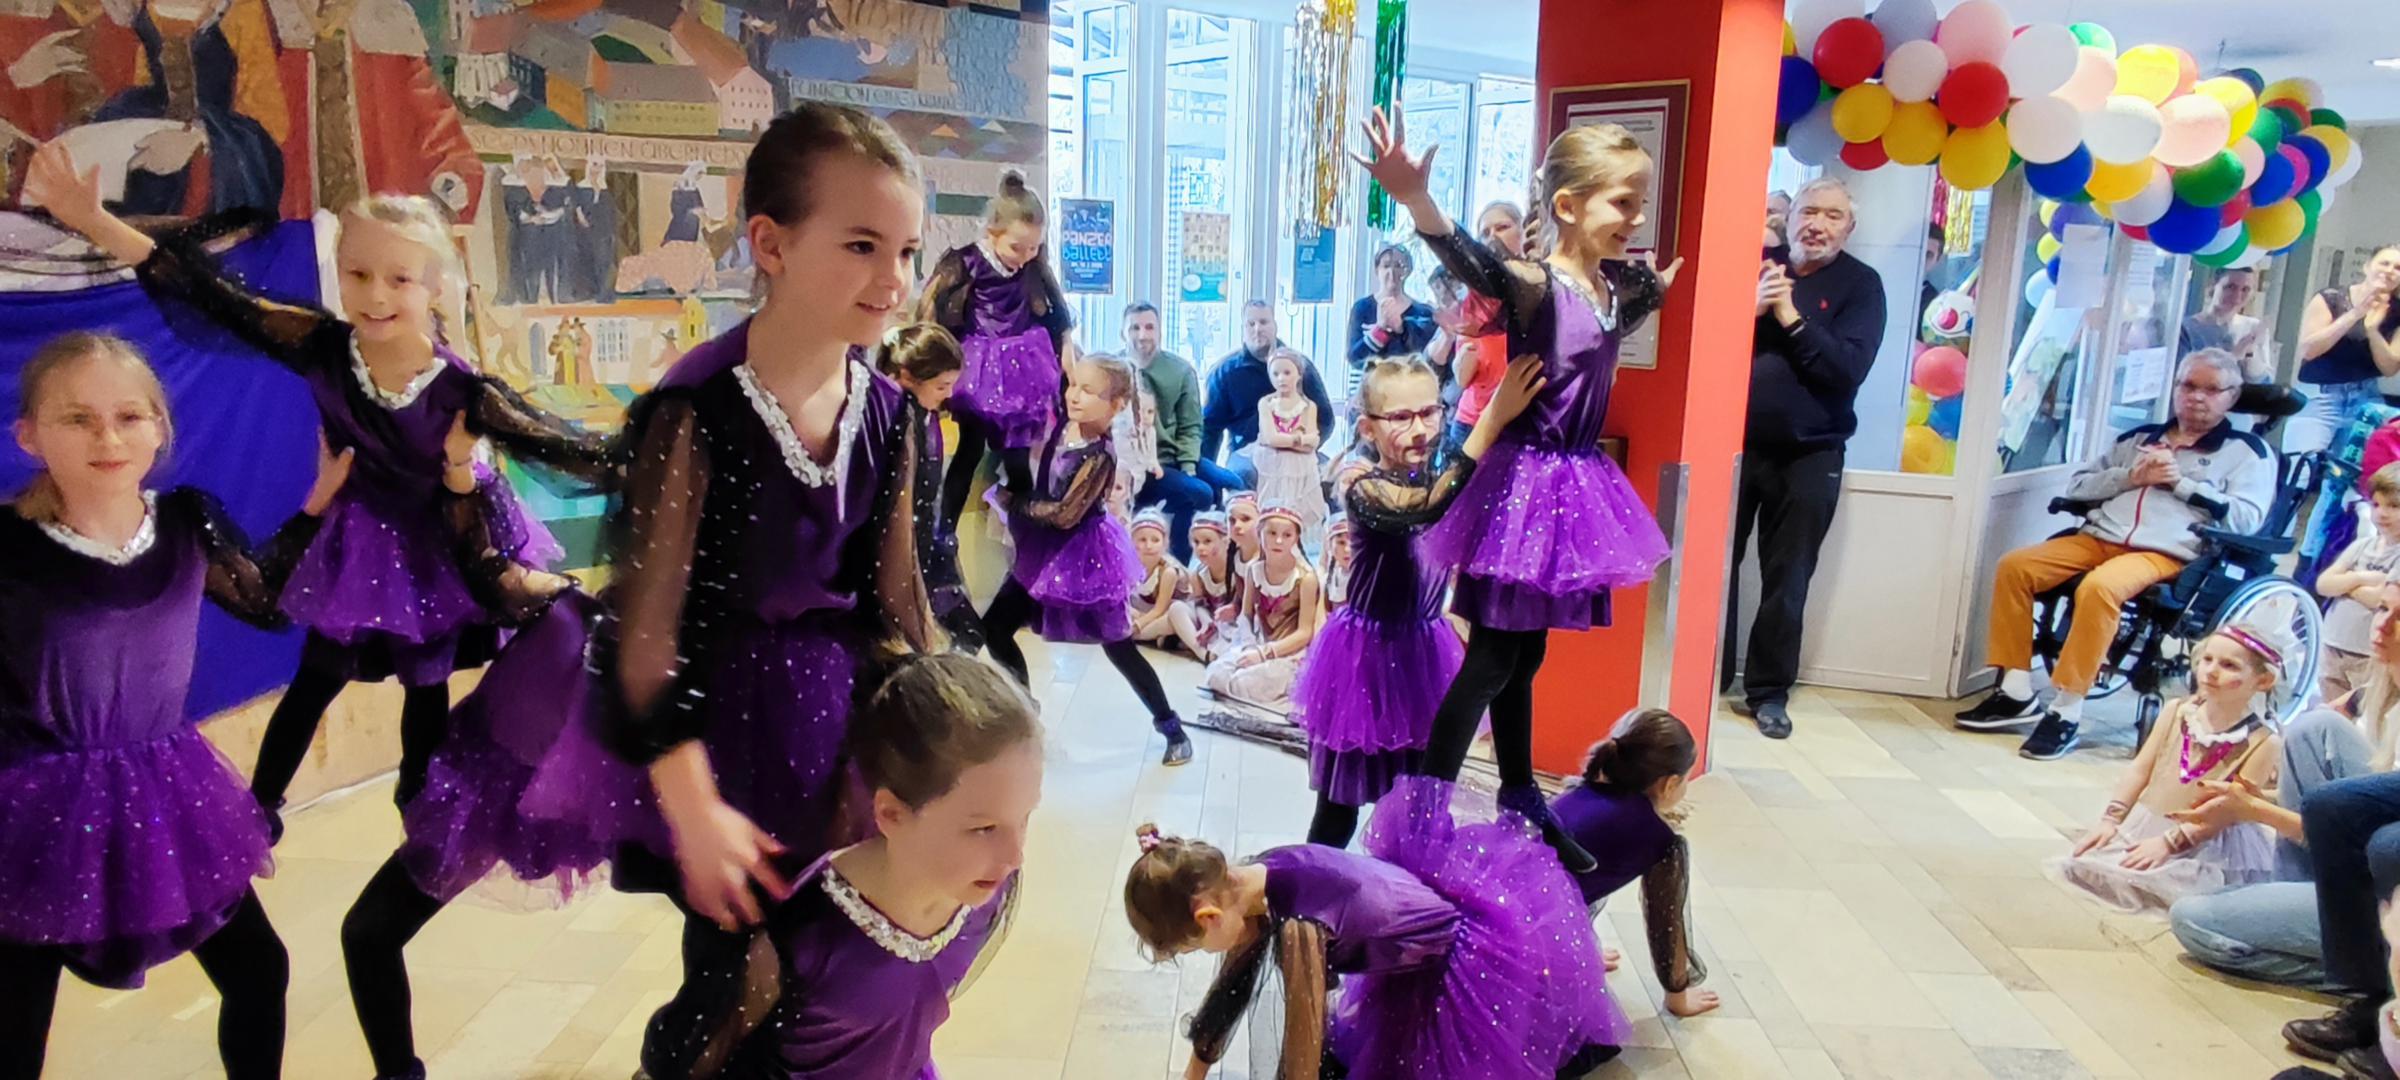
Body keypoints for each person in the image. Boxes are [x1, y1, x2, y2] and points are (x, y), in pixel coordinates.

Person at [377, 103, 947, 1080]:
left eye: (906, 250)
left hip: (835, 736)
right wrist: (693, 805)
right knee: (733, 980)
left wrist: (952, 751)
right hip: (720, 736)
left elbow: (900, 606)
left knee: (814, 973)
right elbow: (646, 634)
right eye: (862, 246)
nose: (894, 280)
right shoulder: (696, 409)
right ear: (771, 243)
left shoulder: (894, 416)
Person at [26, 146, 609, 837]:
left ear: (435, 286)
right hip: (358, 538)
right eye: (358, 274)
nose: (376, 295)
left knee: (425, 685)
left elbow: (571, 452)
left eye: (399, 278)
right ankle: (259, 810)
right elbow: (214, 296)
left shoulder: (463, 392)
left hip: (436, 545)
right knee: (316, 677)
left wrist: (465, 470)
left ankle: (422, 811)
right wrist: (95, 221)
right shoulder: (324, 347)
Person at [0, 332, 352, 1080]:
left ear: (160, 427)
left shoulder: (188, 522)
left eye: (129, 416)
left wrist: (318, 505)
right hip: (34, 807)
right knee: (15, 1021)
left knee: (259, 968)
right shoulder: (8, 546)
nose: (108, 438)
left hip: (166, 787)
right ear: (28, 435)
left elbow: (267, 603)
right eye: (78, 419)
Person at [1357, 106, 1674, 873]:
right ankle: (1424, 815)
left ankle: (1520, 793)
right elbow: (1476, 264)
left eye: (1641, 202)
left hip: (1572, 485)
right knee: (1493, 659)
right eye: (1622, 202)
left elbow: (1630, 307)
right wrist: (1417, 199)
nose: (1636, 218)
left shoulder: (1612, 285)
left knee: (1526, 656)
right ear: (1567, 205)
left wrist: (1655, 290)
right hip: (1524, 488)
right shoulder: (1538, 285)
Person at [1122, 777, 1628, 1080]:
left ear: (1208, 916)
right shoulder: (1257, 875)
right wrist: (1195, 1070)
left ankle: (1561, 981)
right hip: (1406, 944)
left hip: (1459, 964)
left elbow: (1303, 1045)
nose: (1211, 953)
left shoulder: (1301, 926)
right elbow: (1234, 985)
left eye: (1196, 947)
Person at [686, 654, 1037, 1078]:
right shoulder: (805, 934)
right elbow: (725, 1049)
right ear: (891, 815)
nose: (1015, 856)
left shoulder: (988, 892)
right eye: (983, 828)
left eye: (1025, 818)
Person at [1956, 349, 2276, 761]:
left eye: (2212, 390)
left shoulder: (2247, 452)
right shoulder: (2138, 439)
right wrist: (2130, 477)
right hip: (2100, 536)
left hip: (2165, 551)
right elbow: (2078, 486)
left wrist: (2181, 484)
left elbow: (2247, 519)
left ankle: (2066, 710)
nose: (2197, 397)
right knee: (2016, 567)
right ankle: (2016, 691)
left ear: (2232, 396)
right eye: (2189, 386)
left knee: (2100, 588)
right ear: (2175, 389)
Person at [1291, 353, 1541, 850]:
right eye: (1401, 417)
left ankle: (1401, 887)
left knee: (1420, 800)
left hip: (1425, 653)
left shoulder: (1439, 473)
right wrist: (1492, 417)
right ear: (1367, 427)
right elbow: (1424, 509)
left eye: (1429, 413)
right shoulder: (1360, 484)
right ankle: (1310, 885)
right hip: (1364, 659)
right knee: (1338, 813)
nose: (1419, 429)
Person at [2168, 581, 2400, 990]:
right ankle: (2299, 896)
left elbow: (2374, 841)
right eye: (2381, 609)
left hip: (2388, 892)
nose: (2382, 625)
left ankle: (2370, 974)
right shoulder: (2379, 694)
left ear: (2263, 681)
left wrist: (2255, 811)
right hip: (2359, 860)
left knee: (2192, 919)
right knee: (2316, 726)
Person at [1727, 176, 1888, 739]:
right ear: (1789, 217)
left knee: (1787, 578)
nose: (1817, 225)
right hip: (1734, 447)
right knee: (1713, 566)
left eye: (1832, 216)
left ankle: (1768, 693)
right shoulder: (1757, 267)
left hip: (1811, 454)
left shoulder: (1861, 286)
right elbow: (1709, 345)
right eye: (1809, 212)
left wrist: (1790, 317)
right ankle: (1706, 677)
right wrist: (1748, 312)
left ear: (1849, 228)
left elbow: (1847, 369)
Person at [980, 354, 1193, 767]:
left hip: (1083, 558)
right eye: (1073, 385)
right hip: (1038, 551)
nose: (1074, 396)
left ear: (1115, 406)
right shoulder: (1062, 423)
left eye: (1088, 391)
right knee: (996, 628)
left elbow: (1065, 514)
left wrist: (1012, 501)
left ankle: (1172, 727)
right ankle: (1025, 716)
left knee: (1119, 647)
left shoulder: (1100, 455)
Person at [2047, 624, 2285, 915]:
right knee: (2084, 866)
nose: (2211, 671)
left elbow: (2230, 810)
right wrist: (2111, 820)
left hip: (2207, 841)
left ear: (2263, 680)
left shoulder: (2263, 742)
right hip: (2150, 821)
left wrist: (2170, 843)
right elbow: (2141, 769)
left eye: (2229, 665)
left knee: (2172, 891)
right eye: (2207, 659)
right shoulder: (2177, 712)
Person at [920, 170, 1076, 532]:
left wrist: (1067, 347)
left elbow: (1057, 310)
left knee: (1018, 459)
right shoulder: (967, 262)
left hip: (1022, 370)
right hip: (980, 368)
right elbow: (932, 307)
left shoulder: (1032, 267)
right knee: (969, 450)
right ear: (993, 232)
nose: (1025, 256)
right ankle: (943, 533)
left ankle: (1025, 530)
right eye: (1017, 248)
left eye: (1033, 248)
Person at [1552, 709, 1720, 1019]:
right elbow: (1666, 923)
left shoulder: (1581, 790)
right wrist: (1678, 996)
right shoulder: (1657, 838)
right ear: (1670, 784)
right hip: (1528, 937)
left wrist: (1582, 950)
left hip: (1498, 906)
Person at [876, 322, 980, 652]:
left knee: (966, 637)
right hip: (904, 548)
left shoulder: (924, 413)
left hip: (927, 541)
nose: (948, 394)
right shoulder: (898, 418)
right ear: (907, 377)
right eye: (941, 386)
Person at [1124, 301, 1233, 560]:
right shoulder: (1113, 370)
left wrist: (1188, 467)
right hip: (1134, 464)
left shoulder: (1181, 370)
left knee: (1232, 484)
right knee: (1200, 493)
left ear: (1160, 331)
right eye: (1134, 328)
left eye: (1149, 327)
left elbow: (1191, 426)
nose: (1142, 335)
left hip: (1171, 457)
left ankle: (1220, 564)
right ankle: (1173, 562)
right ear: (1123, 333)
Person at [1202, 503, 1322, 713]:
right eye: (1272, 533)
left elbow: (1305, 633)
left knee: (1245, 683)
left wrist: (1266, 653)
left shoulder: (1305, 578)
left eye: (1286, 535)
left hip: (1287, 653)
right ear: (1260, 533)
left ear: (1296, 538)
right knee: (1216, 674)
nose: (1278, 541)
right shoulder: (1254, 570)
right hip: (1258, 643)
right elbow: (1246, 615)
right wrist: (1250, 646)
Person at [1202, 302, 1335, 486]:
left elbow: (1326, 419)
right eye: (1251, 324)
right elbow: (1210, 429)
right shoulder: (1225, 372)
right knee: (1243, 475)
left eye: (1264, 322)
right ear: (1243, 328)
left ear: (1275, 326)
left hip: (1298, 449)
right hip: (1246, 451)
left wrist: (1301, 446)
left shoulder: (1302, 367)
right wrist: (1206, 477)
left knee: (1330, 476)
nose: (1257, 329)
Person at [2290, 245, 2400, 458]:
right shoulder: (2331, 298)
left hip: (2366, 398)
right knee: (2303, 466)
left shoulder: (2398, 312)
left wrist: (2372, 330)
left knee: (2354, 471)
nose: (2390, 271)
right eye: (2384, 263)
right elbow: (2308, 350)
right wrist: (2356, 313)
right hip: (2320, 396)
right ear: (2367, 266)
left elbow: (2390, 368)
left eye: (2398, 268)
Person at [2321, 467, 2400, 701]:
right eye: (2376, 505)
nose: (2382, 513)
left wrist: (2345, 586)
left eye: (2394, 506)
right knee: (2329, 706)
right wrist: (2360, 579)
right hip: (2333, 643)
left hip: (2368, 654)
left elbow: (2381, 599)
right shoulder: (2363, 545)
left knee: (2360, 708)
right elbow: (2324, 584)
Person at [1244, 349, 1329, 543]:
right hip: (1272, 460)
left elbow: (1312, 443)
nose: (1281, 378)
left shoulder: (1308, 406)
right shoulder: (1266, 403)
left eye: (1287, 373)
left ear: (1298, 374)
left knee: (1300, 502)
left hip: (1302, 463)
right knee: (1271, 502)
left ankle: (1296, 539)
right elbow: (1271, 438)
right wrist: (1298, 438)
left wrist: (1291, 441)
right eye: (1275, 374)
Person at [1347, 243, 1438, 374]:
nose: (1392, 272)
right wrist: (1379, 330)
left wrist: (1402, 329)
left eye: (1398, 266)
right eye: (1386, 266)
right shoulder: (1362, 308)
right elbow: (1354, 359)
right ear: (1377, 270)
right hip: (1371, 382)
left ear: (1408, 271)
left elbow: (1426, 357)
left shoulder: (1423, 313)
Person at [2180, 267, 2274, 384]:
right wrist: (2234, 356)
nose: (2237, 296)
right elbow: (2183, 379)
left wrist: (2250, 353)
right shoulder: (2187, 329)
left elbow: (2265, 383)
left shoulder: (2252, 327)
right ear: (2213, 286)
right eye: (2230, 287)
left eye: (2245, 289)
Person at [1168, 511, 1240, 661]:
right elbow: (1199, 603)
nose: (1200, 547)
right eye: (1196, 542)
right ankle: (1203, 654)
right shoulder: (1198, 574)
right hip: (1210, 623)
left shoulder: (1237, 571)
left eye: (1207, 541)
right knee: (1176, 609)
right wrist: (1206, 620)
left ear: (1226, 542)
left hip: (1232, 625)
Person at [1126, 509, 1186, 649]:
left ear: (1164, 543)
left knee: (1169, 622)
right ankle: (1152, 637)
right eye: (1142, 540)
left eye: (1155, 540)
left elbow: (1159, 609)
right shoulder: (1128, 566)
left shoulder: (1168, 571)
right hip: (1143, 611)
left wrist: (1138, 624)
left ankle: (1135, 636)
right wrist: (1131, 612)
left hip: (1163, 613)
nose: (1149, 546)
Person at [1318, 511, 1352, 613]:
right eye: (1341, 543)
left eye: (1353, 543)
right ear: (1329, 547)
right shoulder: (1328, 582)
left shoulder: (1370, 581)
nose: (1347, 549)